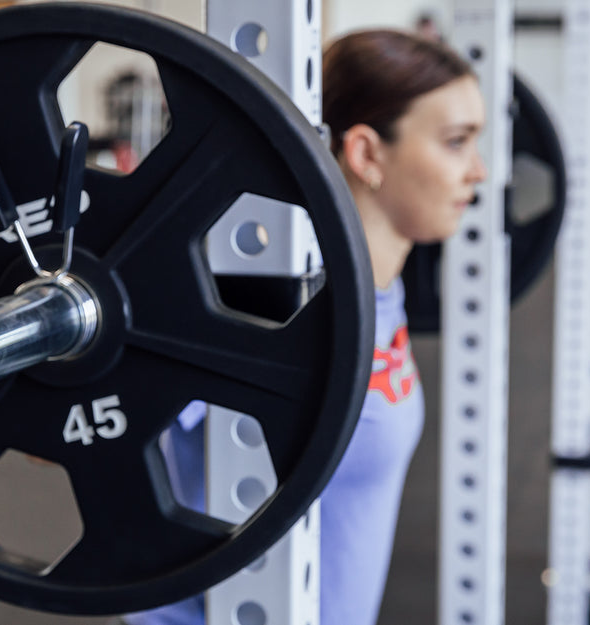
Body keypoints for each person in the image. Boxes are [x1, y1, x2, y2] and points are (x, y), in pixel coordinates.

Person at [122, 28, 486, 625]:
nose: (479, 171)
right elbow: (92, 405)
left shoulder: (378, 299)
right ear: (367, 154)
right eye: (455, 142)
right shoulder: (260, 313)